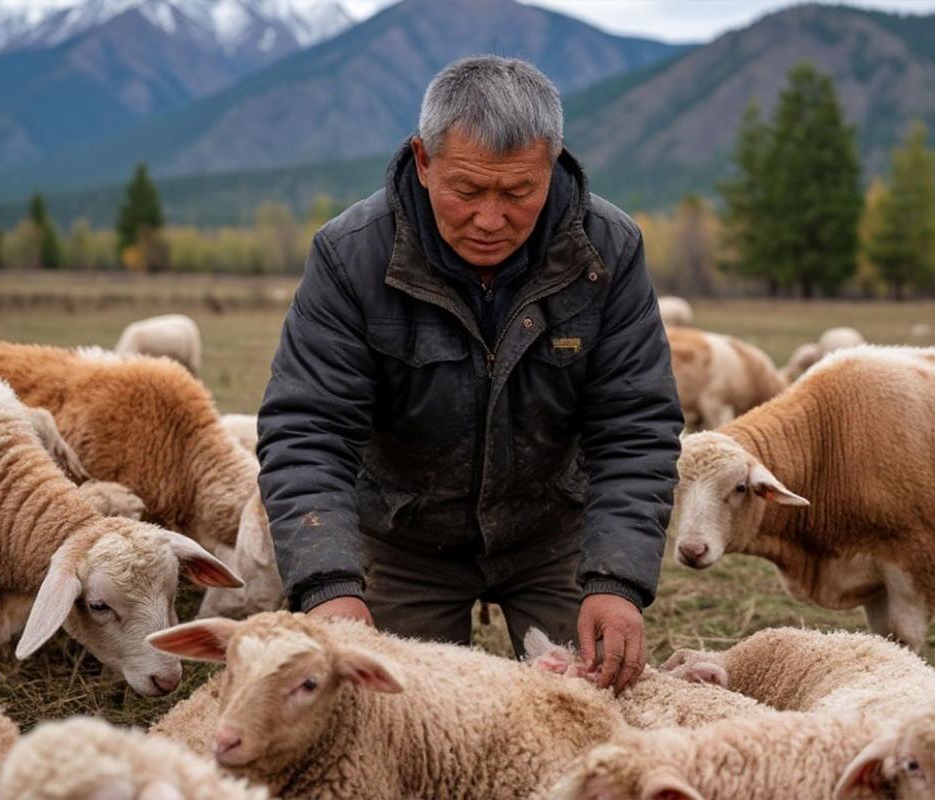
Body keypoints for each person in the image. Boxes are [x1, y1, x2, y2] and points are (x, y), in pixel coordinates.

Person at [257, 55, 683, 693]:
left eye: (519, 193)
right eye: (467, 189)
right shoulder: (352, 256)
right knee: (397, 719)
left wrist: (615, 582)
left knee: (595, 713)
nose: (491, 219)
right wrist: (330, 587)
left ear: (554, 163)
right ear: (424, 162)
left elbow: (635, 424)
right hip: (403, 537)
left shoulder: (608, 251)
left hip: (553, 532)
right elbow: (308, 429)